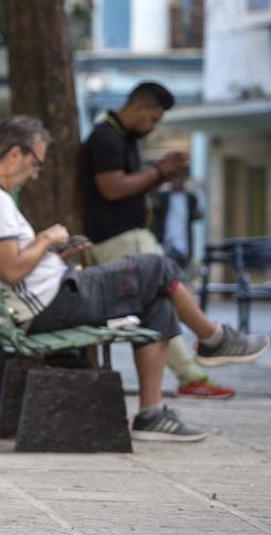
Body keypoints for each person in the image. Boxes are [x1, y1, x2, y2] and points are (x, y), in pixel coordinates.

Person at [0, 117, 269, 442]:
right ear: (14, 155)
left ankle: (152, 414)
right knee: (158, 267)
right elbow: (10, 270)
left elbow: (10, 266)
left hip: (47, 299)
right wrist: (48, 238)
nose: (35, 174)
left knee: (157, 300)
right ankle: (214, 339)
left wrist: (55, 255)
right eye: (36, 164)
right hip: (52, 305)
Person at [83, 82, 233, 400]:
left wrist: (159, 175)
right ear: (138, 107)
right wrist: (158, 172)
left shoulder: (125, 139)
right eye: (153, 119)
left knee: (163, 302)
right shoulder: (106, 137)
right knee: (165, 289)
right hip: (120, 239)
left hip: (133, 237)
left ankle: (198, 360)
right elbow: (112, 187)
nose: (154, 127)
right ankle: (207, 342)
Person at [152, 169, 201, 271]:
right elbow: (154, 209)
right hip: (164, 244)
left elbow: (198, 215)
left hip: (183, 246)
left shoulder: (190, 198)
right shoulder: (163, 197)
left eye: (180, 177)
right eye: (174, 178)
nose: (177, 181)